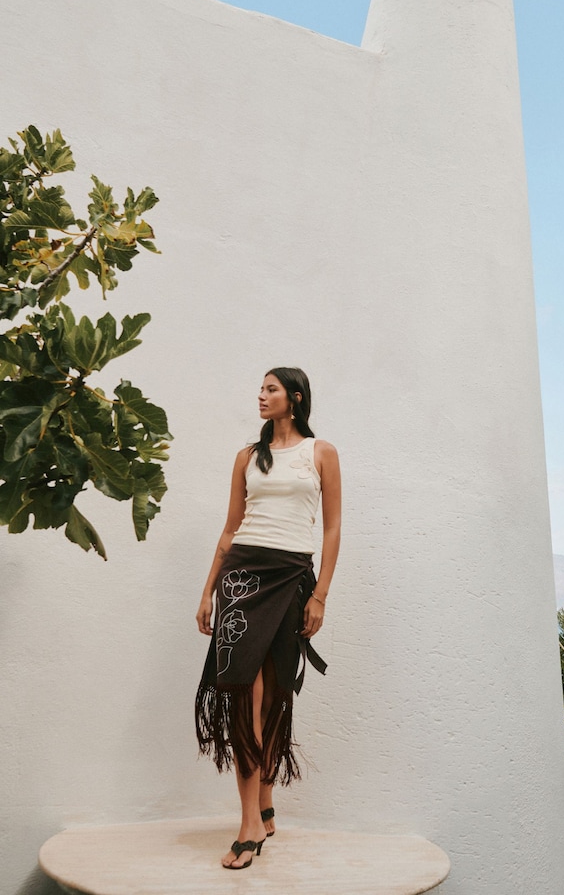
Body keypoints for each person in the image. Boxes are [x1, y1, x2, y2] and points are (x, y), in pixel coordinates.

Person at [194, 367, 341, 870]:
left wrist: (319, 594)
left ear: (294, 399)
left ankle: (266, 800)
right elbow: (230, 528)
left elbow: (333, 527)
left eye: (270, 389)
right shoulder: (246, 458)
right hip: (242, 577)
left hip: (291, 577)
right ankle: (249, 823)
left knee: (276, 691)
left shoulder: (320, 453)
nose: (261, 396)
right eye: (260, 388)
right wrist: (207, 592)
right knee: (242, 692)